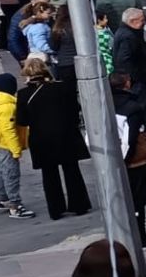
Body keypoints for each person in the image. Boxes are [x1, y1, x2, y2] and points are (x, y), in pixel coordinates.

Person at [15, 55, 90, 221]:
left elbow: (22, 120)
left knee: (49, 176)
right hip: (66, 134)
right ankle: (79, 205)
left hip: (41, 139)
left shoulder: (23, 94)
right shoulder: (62, 87)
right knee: (72, 170)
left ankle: (56, 209)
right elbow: (75, 109)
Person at [0, 72, 32, 218]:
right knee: (11, 172)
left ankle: (3, 199)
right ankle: (15, 206)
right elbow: (8, 130)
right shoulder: (6, 107)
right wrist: (16, 150)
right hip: (3, 142)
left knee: (2, 169)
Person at [109, 7, 146, 142]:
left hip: (137, 80)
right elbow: (124, 60)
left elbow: (139, 52)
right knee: (143, 112)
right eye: (142, 20)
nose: (145, 22)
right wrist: (133, 79)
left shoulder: (129, 33)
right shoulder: (128, 36)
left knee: (142, 111)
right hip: (138, 82)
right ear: (133, 20)